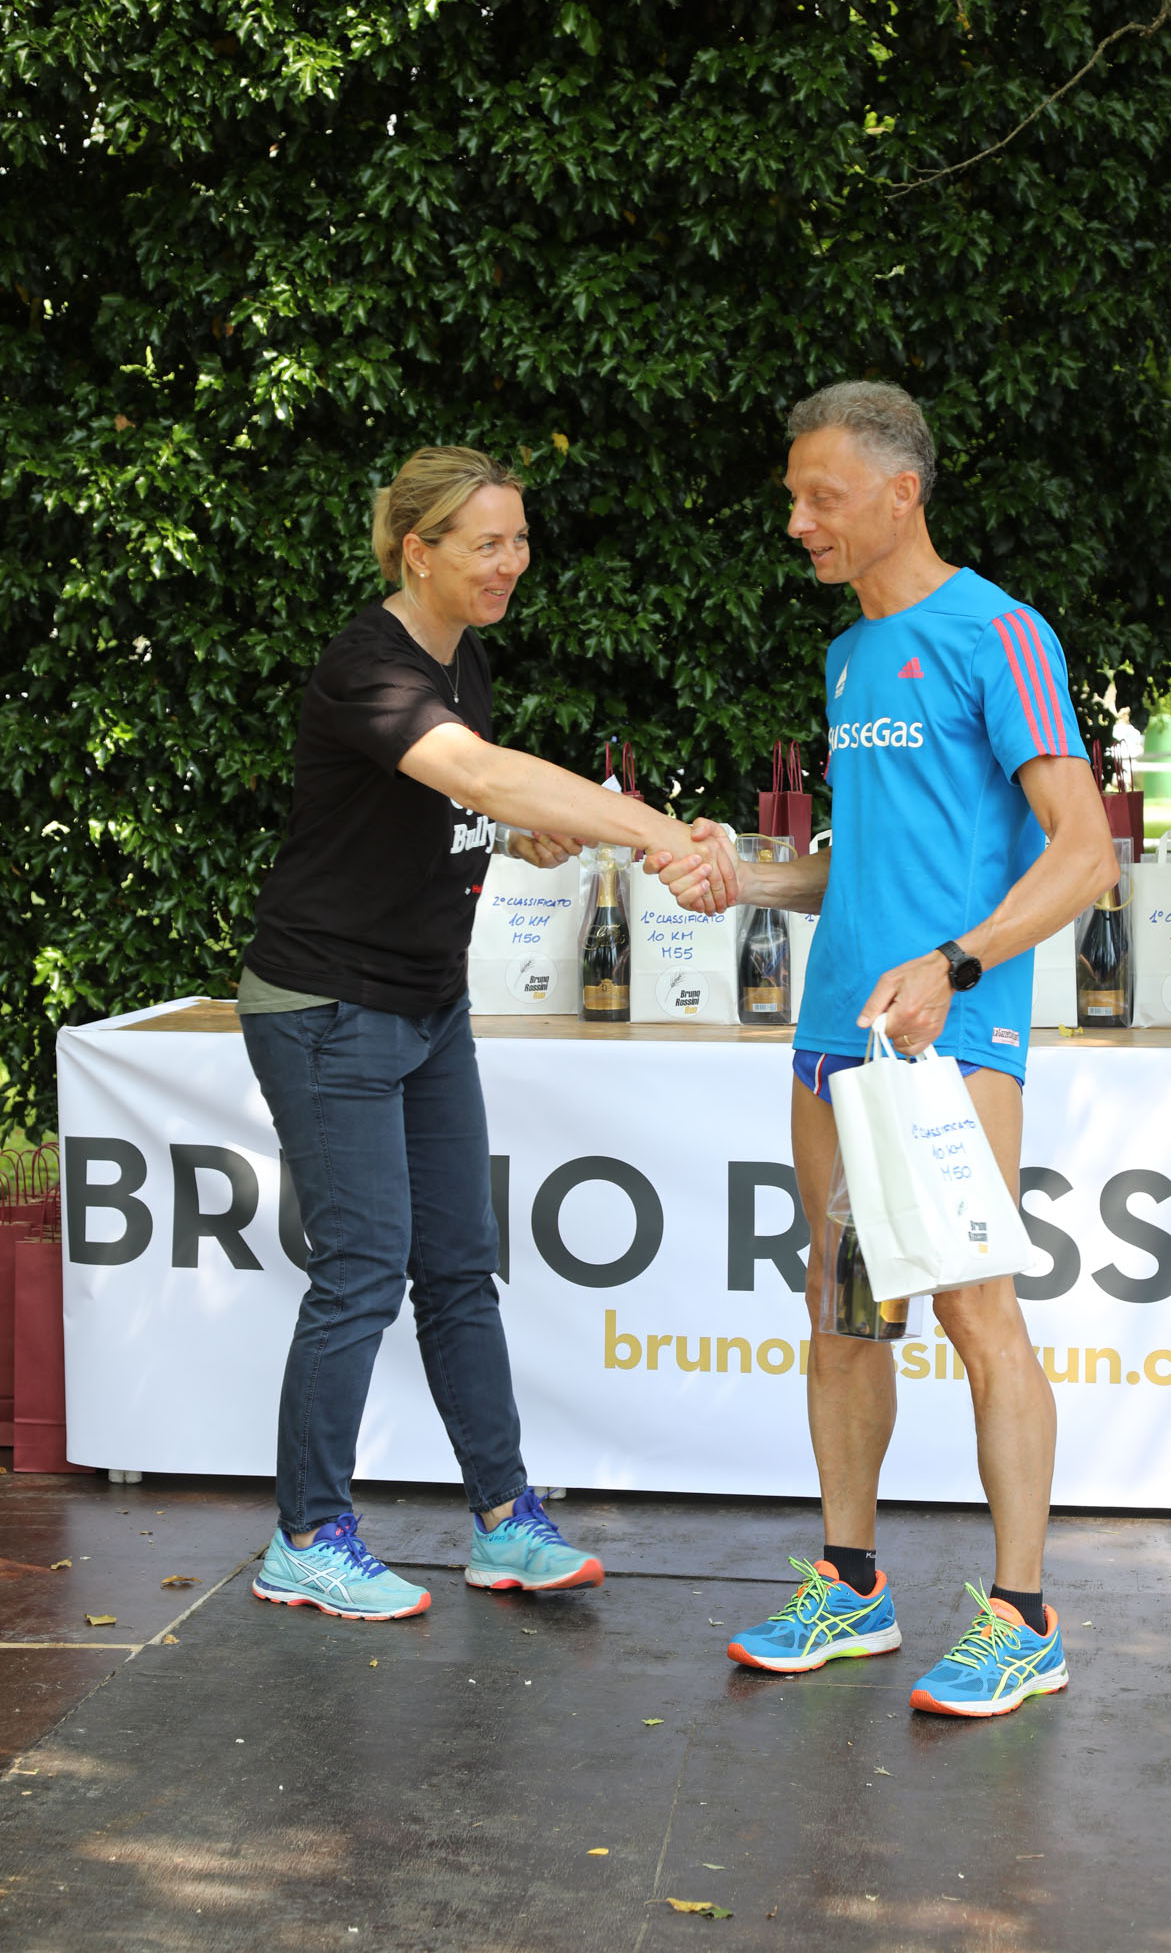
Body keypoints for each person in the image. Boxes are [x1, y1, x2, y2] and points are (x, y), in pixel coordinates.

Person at [653, 381, 1118, 1715]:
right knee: (845, 1307)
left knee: (974, 1309)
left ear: (900, 492)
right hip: (834, 1036)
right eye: (794, 498)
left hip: (949, 1036)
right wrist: (750, 879)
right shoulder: (851, 653)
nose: (798, 521)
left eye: (823, 496)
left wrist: (956, 964)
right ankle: (851, 1584)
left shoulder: (999, 632)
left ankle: (1024, 1617)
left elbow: (1083, 852)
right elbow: (864, 865)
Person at [240, 444, 731, 1621]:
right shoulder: (368, 663)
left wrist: (515, 835)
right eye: (485, 543)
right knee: (362, 1269)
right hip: (327, 1006)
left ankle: (505, 1520)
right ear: (418, 551)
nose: (510, 562)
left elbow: (453, 799)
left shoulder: (465, 656)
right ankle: (304, 1535)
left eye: (518, 540)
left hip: (426, 1003)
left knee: (458, 1267)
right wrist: (656, 831)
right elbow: (477, 769)